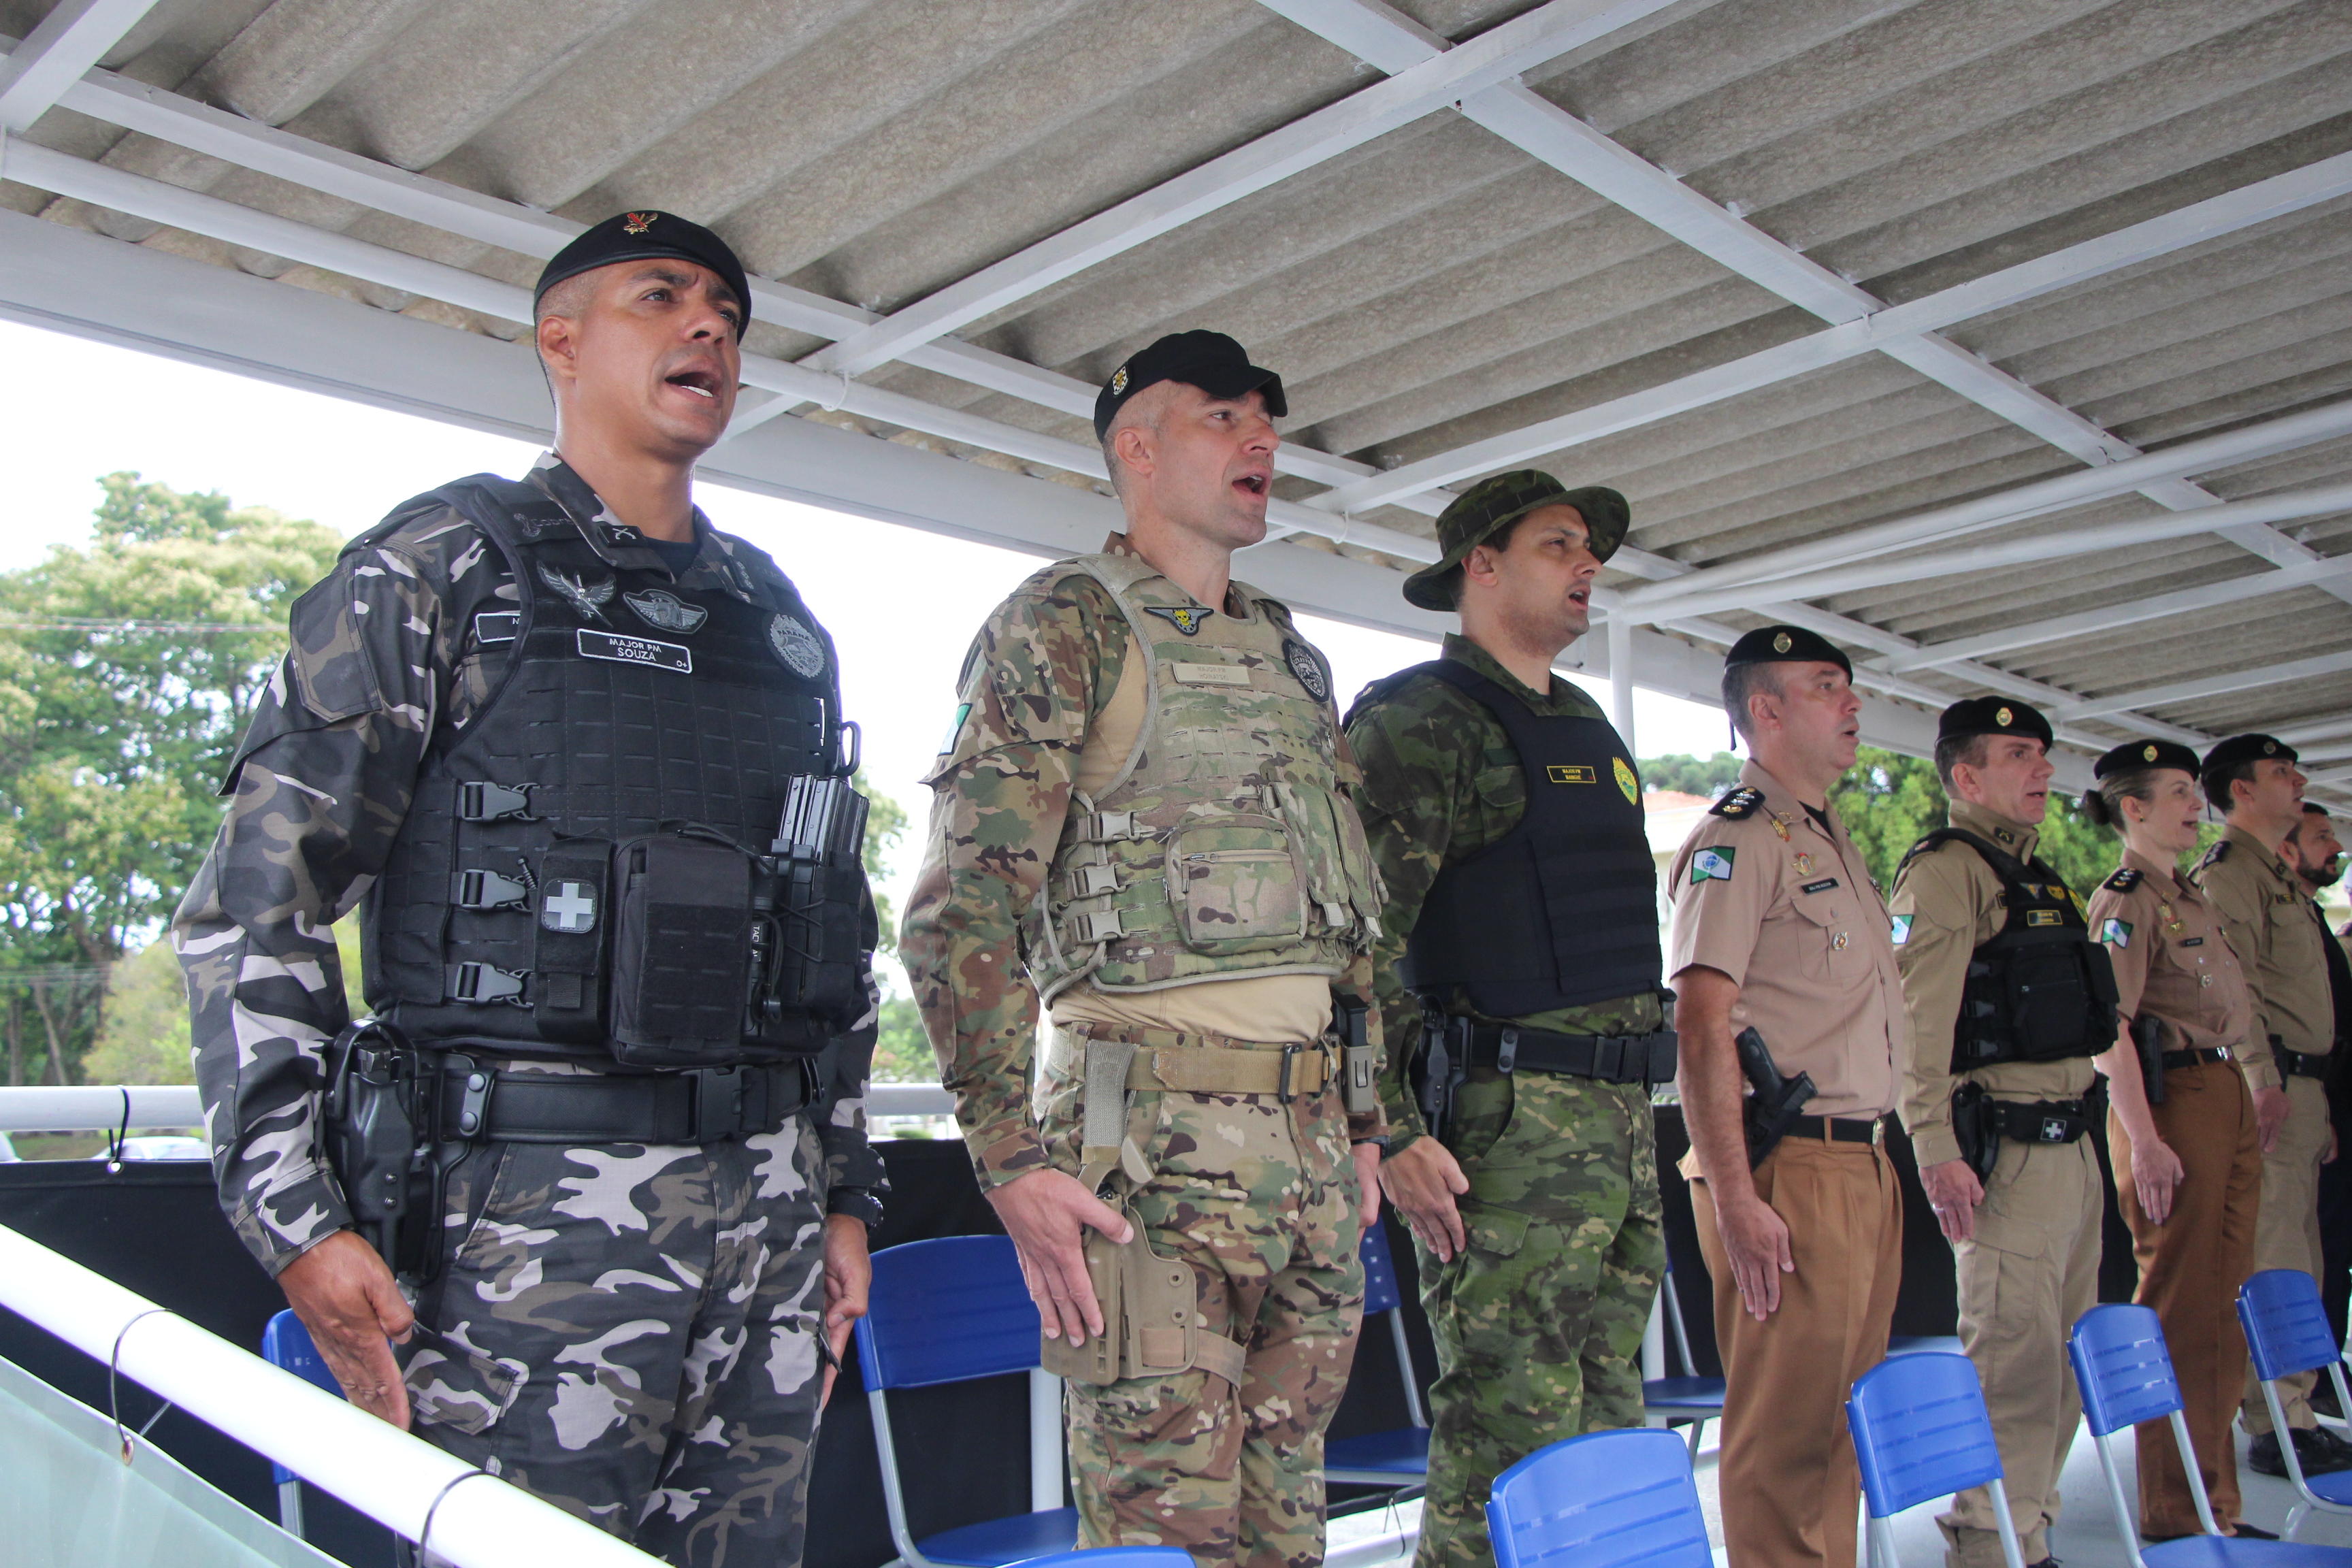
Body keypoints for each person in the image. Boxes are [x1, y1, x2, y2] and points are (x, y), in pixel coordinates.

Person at [174, 212, 885, 1567]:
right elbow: (257, 905)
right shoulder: (439, 567)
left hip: (770, 1227)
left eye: (728, 314)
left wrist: (844, 1189)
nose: (710, 326)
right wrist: (298, 1220)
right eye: (659, 297)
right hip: (520, 1229)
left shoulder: (778, 622)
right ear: (560, 342)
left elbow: (829, 930)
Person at [900, 330, 1386, 1568]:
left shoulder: (1292, 655)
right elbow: (962, 906)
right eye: (1224, 415)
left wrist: (1366, 1123)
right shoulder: (1065, 622)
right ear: (1138, 447)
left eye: (1267, 419)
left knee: (1291, 1524)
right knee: (1160, 1534)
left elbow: (1346, 913)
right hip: (1149, 1151)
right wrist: (1005, 1153)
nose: (1261, 439)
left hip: (1313, 1154)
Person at [1343, 470, 1676, 1568]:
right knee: (1506, 1432)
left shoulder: (1585, 723)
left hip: (1618, 1123)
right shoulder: (1418, 720)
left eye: (1591, 548)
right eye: (1557, 544)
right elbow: (1354, 943)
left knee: (1609, 1426)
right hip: (1506, 1130)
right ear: (1479, 567)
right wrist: (1390, 1128)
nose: (1589, 565)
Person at [1667, 625, 1906, 1568]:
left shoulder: (1827, 837)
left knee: (1840, 1433)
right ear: (1765, 711)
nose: (1852, 703)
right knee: (1786, 1440)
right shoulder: (1736, 836)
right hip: (1787, 1168)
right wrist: (1736, 1199)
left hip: (1860, 1160)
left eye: (1849, 685)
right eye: (1825, 686)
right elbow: (1700, 1023)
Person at [1889, 698, 2112, 1568]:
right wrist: (1935, 1150)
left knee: (2062, 1368)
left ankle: (2030, 1533)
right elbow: (1919, 1025)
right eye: (2019, 754)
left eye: (2044, 755)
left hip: (2073, 1149)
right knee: (2012, 1365)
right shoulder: (1949, 871)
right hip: (2006, 1157)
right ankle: (1988, 1546)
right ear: (1967, 776)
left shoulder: (2039, 876)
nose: (2044, 769)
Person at [2081, 740, 2268, 1541]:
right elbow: (2109, 1030)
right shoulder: (2126, 900)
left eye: (2197, 792)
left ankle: (2215, 1506)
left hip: (2221, 1089)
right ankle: (2175, 1509)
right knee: (2181, 1311)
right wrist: (2146, 1140)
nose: (2198, 806)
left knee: (2224, 1309)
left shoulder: (2187, 895)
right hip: (2171, 1104)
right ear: (2134, 808)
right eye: (2181, 793)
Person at [2187, 735, 2352, 1476]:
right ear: (2242, 792)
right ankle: (2278, 1421)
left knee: (2305, 1257)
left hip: (2306, 1086)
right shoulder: (2231, 874)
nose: (2299, 782)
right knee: (2277, 1255)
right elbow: (2237, 988)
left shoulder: (2276, 877)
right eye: (2281, 773)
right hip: (2273, 1081)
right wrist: (2262, 1080)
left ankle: (2301, 1404)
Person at [2279, 803, 2352, 1397]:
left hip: (2329, 1096)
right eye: (2322, 837)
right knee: (2308, 1240)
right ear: (2287, 849)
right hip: (2302, 1093)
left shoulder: (2311, 915)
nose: (2336, 847)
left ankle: (2323, 1369)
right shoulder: (2276, 909)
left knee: (2329, 1242)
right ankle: (2304, 1384)